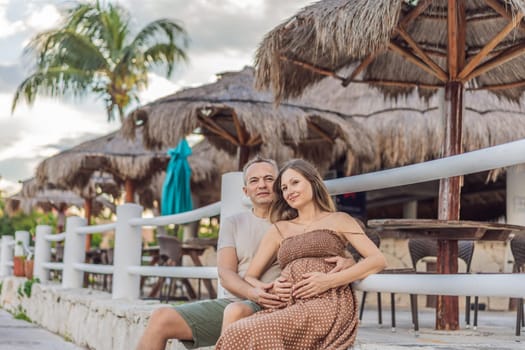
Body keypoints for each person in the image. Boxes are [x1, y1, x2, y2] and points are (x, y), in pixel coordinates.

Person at [216, 159, 387, 349]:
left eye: (295, 183)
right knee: (235, 332)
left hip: (326, 301)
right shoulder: (279, 228)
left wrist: (330, 280)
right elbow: (251, 276)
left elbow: (378, 259)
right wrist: (271, 287)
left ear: (313, 182)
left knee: (249, 330)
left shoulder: (339, 220)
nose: (290, 191)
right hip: (288, 303)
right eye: (284, 188)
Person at [136, 156, 290, 350]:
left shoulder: (293, 221)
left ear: (280, 184)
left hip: (274, 305)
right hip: (235, 302)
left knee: (237, 312)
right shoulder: (234, 223)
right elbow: (226, 273)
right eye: (254, 180)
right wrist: (253, 293)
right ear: (246, 191)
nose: (262, 185)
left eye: (269, 178)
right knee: (161, 318)